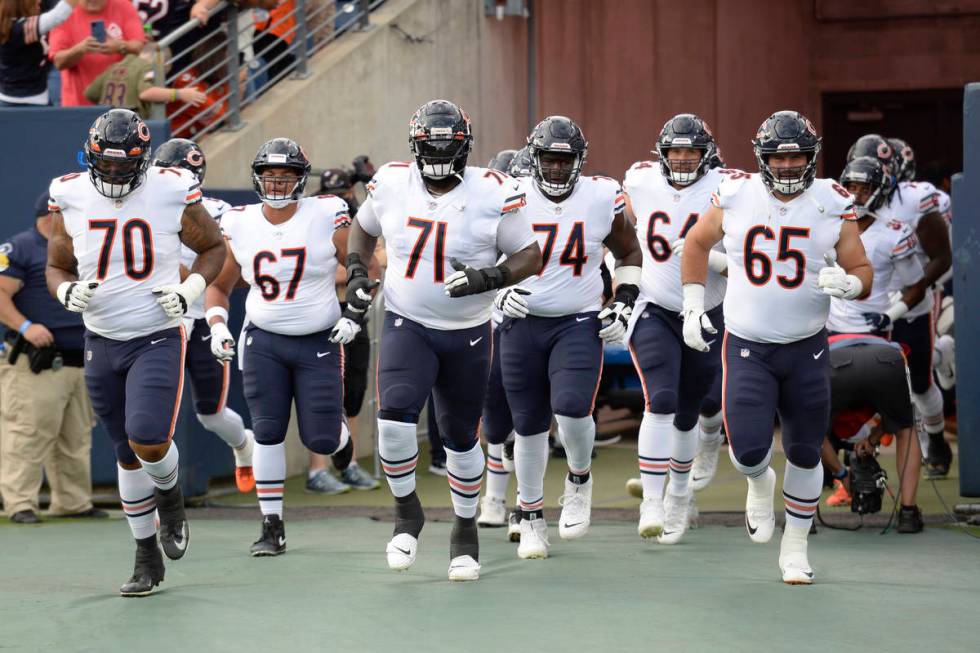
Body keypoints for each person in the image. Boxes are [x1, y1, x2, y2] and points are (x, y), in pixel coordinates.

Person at [342, 99, 541, 581]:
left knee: (457, 437)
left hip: (467, 331)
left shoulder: (493, 190)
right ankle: (406, 512)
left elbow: (530, 256)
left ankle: (464, 528)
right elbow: (362, 231)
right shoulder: (390, 182)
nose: (435, 155)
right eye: (428, 146)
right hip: (407, 322)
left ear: (465, 147)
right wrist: (354, 271)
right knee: (393, 421)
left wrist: (487, 277)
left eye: (445, 146)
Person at [680, 110, 872, 584]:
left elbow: (862, 268)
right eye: (778, 157)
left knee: (806, 451)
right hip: (748, 344)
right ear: (762, 157)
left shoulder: (832, 200)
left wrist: (849, 284)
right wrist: (690, 306)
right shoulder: (737, 194)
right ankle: (760, 484)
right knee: (747, 451)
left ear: (812, 156)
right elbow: (695, 243)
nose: (788, 166)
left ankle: (795, 547)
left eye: (797, 156)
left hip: (806, 346)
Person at [46, 108, 226, 596]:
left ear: (144, 161)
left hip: (156, 333)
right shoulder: (70, 192)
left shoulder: (170, 188)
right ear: (90, 156)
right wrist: (64, 292)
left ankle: (170, 497)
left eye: (126, 166)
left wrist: (191, 289)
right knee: (126, 455)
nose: (114, 175)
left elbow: (213, 248)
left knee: (148, 437)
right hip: (99, 338)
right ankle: (146, 557)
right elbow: (57, 263)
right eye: (106, 164)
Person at [204, 137, 358, 557]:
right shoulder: (239, 222)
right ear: (257, 178)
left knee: (321, 440)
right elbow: (218, 285)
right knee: (268, 431)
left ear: (301, 179)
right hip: (264, 340)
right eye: (270, 176)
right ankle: (272, 527)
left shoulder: (326, 214)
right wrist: (218, 325)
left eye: (285, 176)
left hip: (319, 340)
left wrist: (355, 313)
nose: (276, 184)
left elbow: (364, 267)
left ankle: (341, 439)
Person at [498, 116, 641, 559]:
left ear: (579, 161)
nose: (557, 169)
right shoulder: (509, 194)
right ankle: (532, 515)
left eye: (565, 160)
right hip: (521, 321)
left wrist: (624, 300)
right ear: (534, 159)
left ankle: (579, 478)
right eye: (549, 159)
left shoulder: (601, 196)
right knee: (527, 427)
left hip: (577, 319)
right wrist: (498, 294)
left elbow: (629, 250)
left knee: (573, 407)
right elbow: (482, 251)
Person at [621, 113, 727, 545]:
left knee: (688, 409)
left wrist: (712, 258)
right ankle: (652, 499)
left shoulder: (728, 187)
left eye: (691, 151)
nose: (682, 158)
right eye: (675, 151)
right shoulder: (642, 180)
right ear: (661, 154)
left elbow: (748, 245)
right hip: (656, 304)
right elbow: (625, 232)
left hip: (708, 306)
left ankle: (679, 498)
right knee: (659, 398)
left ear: (707, 154)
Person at [149, 138, 256, 493]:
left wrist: (189, 276)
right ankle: (160, 490)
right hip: (163, 320)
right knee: (155, 414)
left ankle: (243, 445)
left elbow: (238, 274)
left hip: (204, 319)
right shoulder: (143, 206)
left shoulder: (221, 211)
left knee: (211, 414)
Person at [847, 134, 951, 478]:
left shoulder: (913, 200)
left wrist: (911, 293)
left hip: (910, 300)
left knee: (919, 382)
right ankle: (857, 466)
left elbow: (942, 256)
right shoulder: (845, 199)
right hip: (860, 304)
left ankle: (935, 437)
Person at [0, 191, 107, 523]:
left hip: (79, 358)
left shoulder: (79, 247)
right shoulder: (20, 248)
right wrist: (26, 326)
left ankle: (73, 501)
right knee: (29, 431)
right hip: (38, 360)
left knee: (75, 435)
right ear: (53, 214)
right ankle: (19, 502)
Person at [303, 165, 379, 494]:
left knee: (353, 393)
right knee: (320, 395)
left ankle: (348, 464)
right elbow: (316, 270)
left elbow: (370, 266)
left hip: (353, 315)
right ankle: (317, 469)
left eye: (344, 193)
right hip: (321, 317)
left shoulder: (355, 220)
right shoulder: (311, 220)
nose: (338, 200)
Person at [821, 333, 923, 532]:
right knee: (906, 429)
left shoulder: (823, 342)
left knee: (807, 432)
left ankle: (802, 518)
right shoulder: (879, 341)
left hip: (835, 364)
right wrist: (873, 438)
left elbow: (815, 438)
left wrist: (842, 475)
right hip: (887, 360)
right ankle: (908, 513)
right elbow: (896, 416)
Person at [49, 0, 145, 107]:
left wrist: (120, 46)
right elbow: (58, 61)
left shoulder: (123, 5)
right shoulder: (64, 10)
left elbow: (138, 46)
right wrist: (80, 49)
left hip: (119, 104)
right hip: (78, 106)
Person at [83, 43, 207, 117]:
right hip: (129, 124)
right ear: (164, 64)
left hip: (107, 122)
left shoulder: (115, 66)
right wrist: (179, 94)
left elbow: (90, 93)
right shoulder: (147, 67)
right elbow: (146, 93)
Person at [0, 0, 79, 106]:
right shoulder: (19, 29)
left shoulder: (10, 25)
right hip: (30, 102)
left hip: (14, 98)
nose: (39, 1)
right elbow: (59, 14)